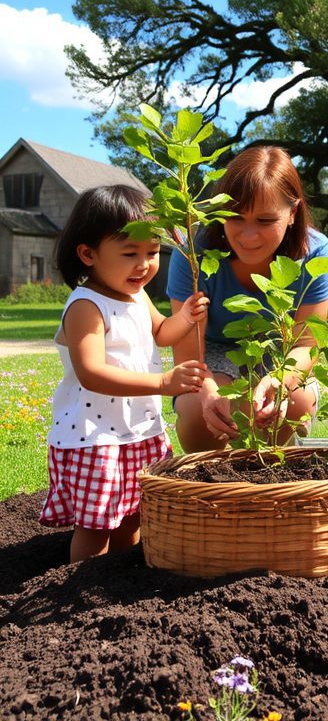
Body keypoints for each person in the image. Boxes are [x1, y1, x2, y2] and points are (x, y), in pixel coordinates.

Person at [40, 185, 208, 562]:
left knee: (133, 516)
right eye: (130, 253)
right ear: (88, 254)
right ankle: (80, 585)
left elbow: (161, 332)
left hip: (138, 430)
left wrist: (184, 318)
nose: (145, 264)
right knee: (97, 524)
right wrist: (163, 383)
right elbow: (91, 372)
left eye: (152, 253)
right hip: (95, 437)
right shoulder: (86, 305)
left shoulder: (137, 296)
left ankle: (120, 581)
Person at [167, 146, 328, 452]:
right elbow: (189, 355)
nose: (247, 235)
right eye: (235, 217)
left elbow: (307, 344)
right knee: (197, 409)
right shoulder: (194, 252)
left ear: (292, 213)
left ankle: (272, 472)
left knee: (295, 402)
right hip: (213, 352)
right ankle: (211, 486)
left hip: (279, 350)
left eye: (265, 220)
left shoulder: (316, 254)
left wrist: (281, 380)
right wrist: (208, 392)